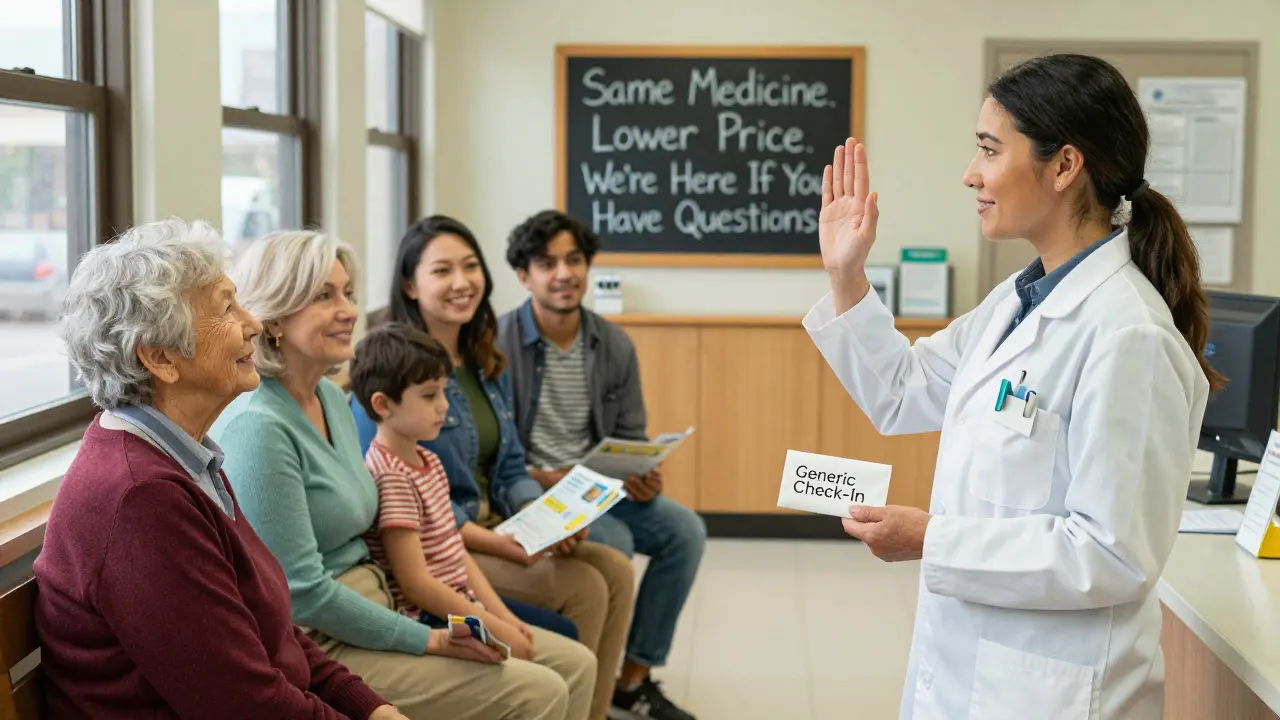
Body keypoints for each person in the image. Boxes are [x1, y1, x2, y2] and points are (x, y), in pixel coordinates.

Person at [807, 54, 1217, 720]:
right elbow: (902, 392)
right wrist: (846, 276)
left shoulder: (1127, 335)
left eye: (990, 151)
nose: (971, 174)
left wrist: (930, 538)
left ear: (1064, 166)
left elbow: (1112, 555)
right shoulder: (1017, 301)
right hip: (977, 670)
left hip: (1054, 692)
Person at [210, 229, 593, 720]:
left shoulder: (330, 396)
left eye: (347, 293)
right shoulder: (258, 427)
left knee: (575, 664)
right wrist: (430, 638)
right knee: (536, 691)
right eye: (324, 296)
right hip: (326, 644)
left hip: (385, 603)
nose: (349, 310)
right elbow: (304, 596)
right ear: (275, 317)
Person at [33, 219, 405, 720]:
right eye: (228, 307)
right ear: (161, 358)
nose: (254, 324)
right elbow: (245, 707)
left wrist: (371, 708)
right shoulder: (140, 497)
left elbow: (273, 629)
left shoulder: (183, 454)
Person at [349, 215, 635, 720]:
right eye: (442, 271)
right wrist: (505, 542)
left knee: (613, 564)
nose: (462, 283)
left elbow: (510, 470)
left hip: (499, 523)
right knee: (586, 587)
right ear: (411, 285)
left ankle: (595, 708)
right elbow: (413, 512)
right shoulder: (395, 374)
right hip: (458, 540)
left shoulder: (485, 357)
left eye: (470, 267)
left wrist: (543, 517)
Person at [497, 210, 706, 720]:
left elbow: (631, 436)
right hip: (531, 486)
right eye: (547, 264)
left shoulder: (613, 344)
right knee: (616, 543)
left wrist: (642, 471)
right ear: (524, 276)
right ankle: (586, 678)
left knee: (685, 531)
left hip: (599, 487)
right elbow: (496, 455)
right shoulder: (498, 345)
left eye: (573, 260)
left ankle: (631, 679)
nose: (563, 273)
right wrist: (546, 477)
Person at [348, 322, 595, 720]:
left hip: (464, 600)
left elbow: (457, 553)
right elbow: (416, 583)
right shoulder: (390, 475)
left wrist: (505, 618)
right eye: (429, 395)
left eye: (444, 391)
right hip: (431, 616)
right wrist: (493, 625)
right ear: (382, 405)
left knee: (576, 656)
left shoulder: (427, 460)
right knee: (557, 668)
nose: (444, 405)